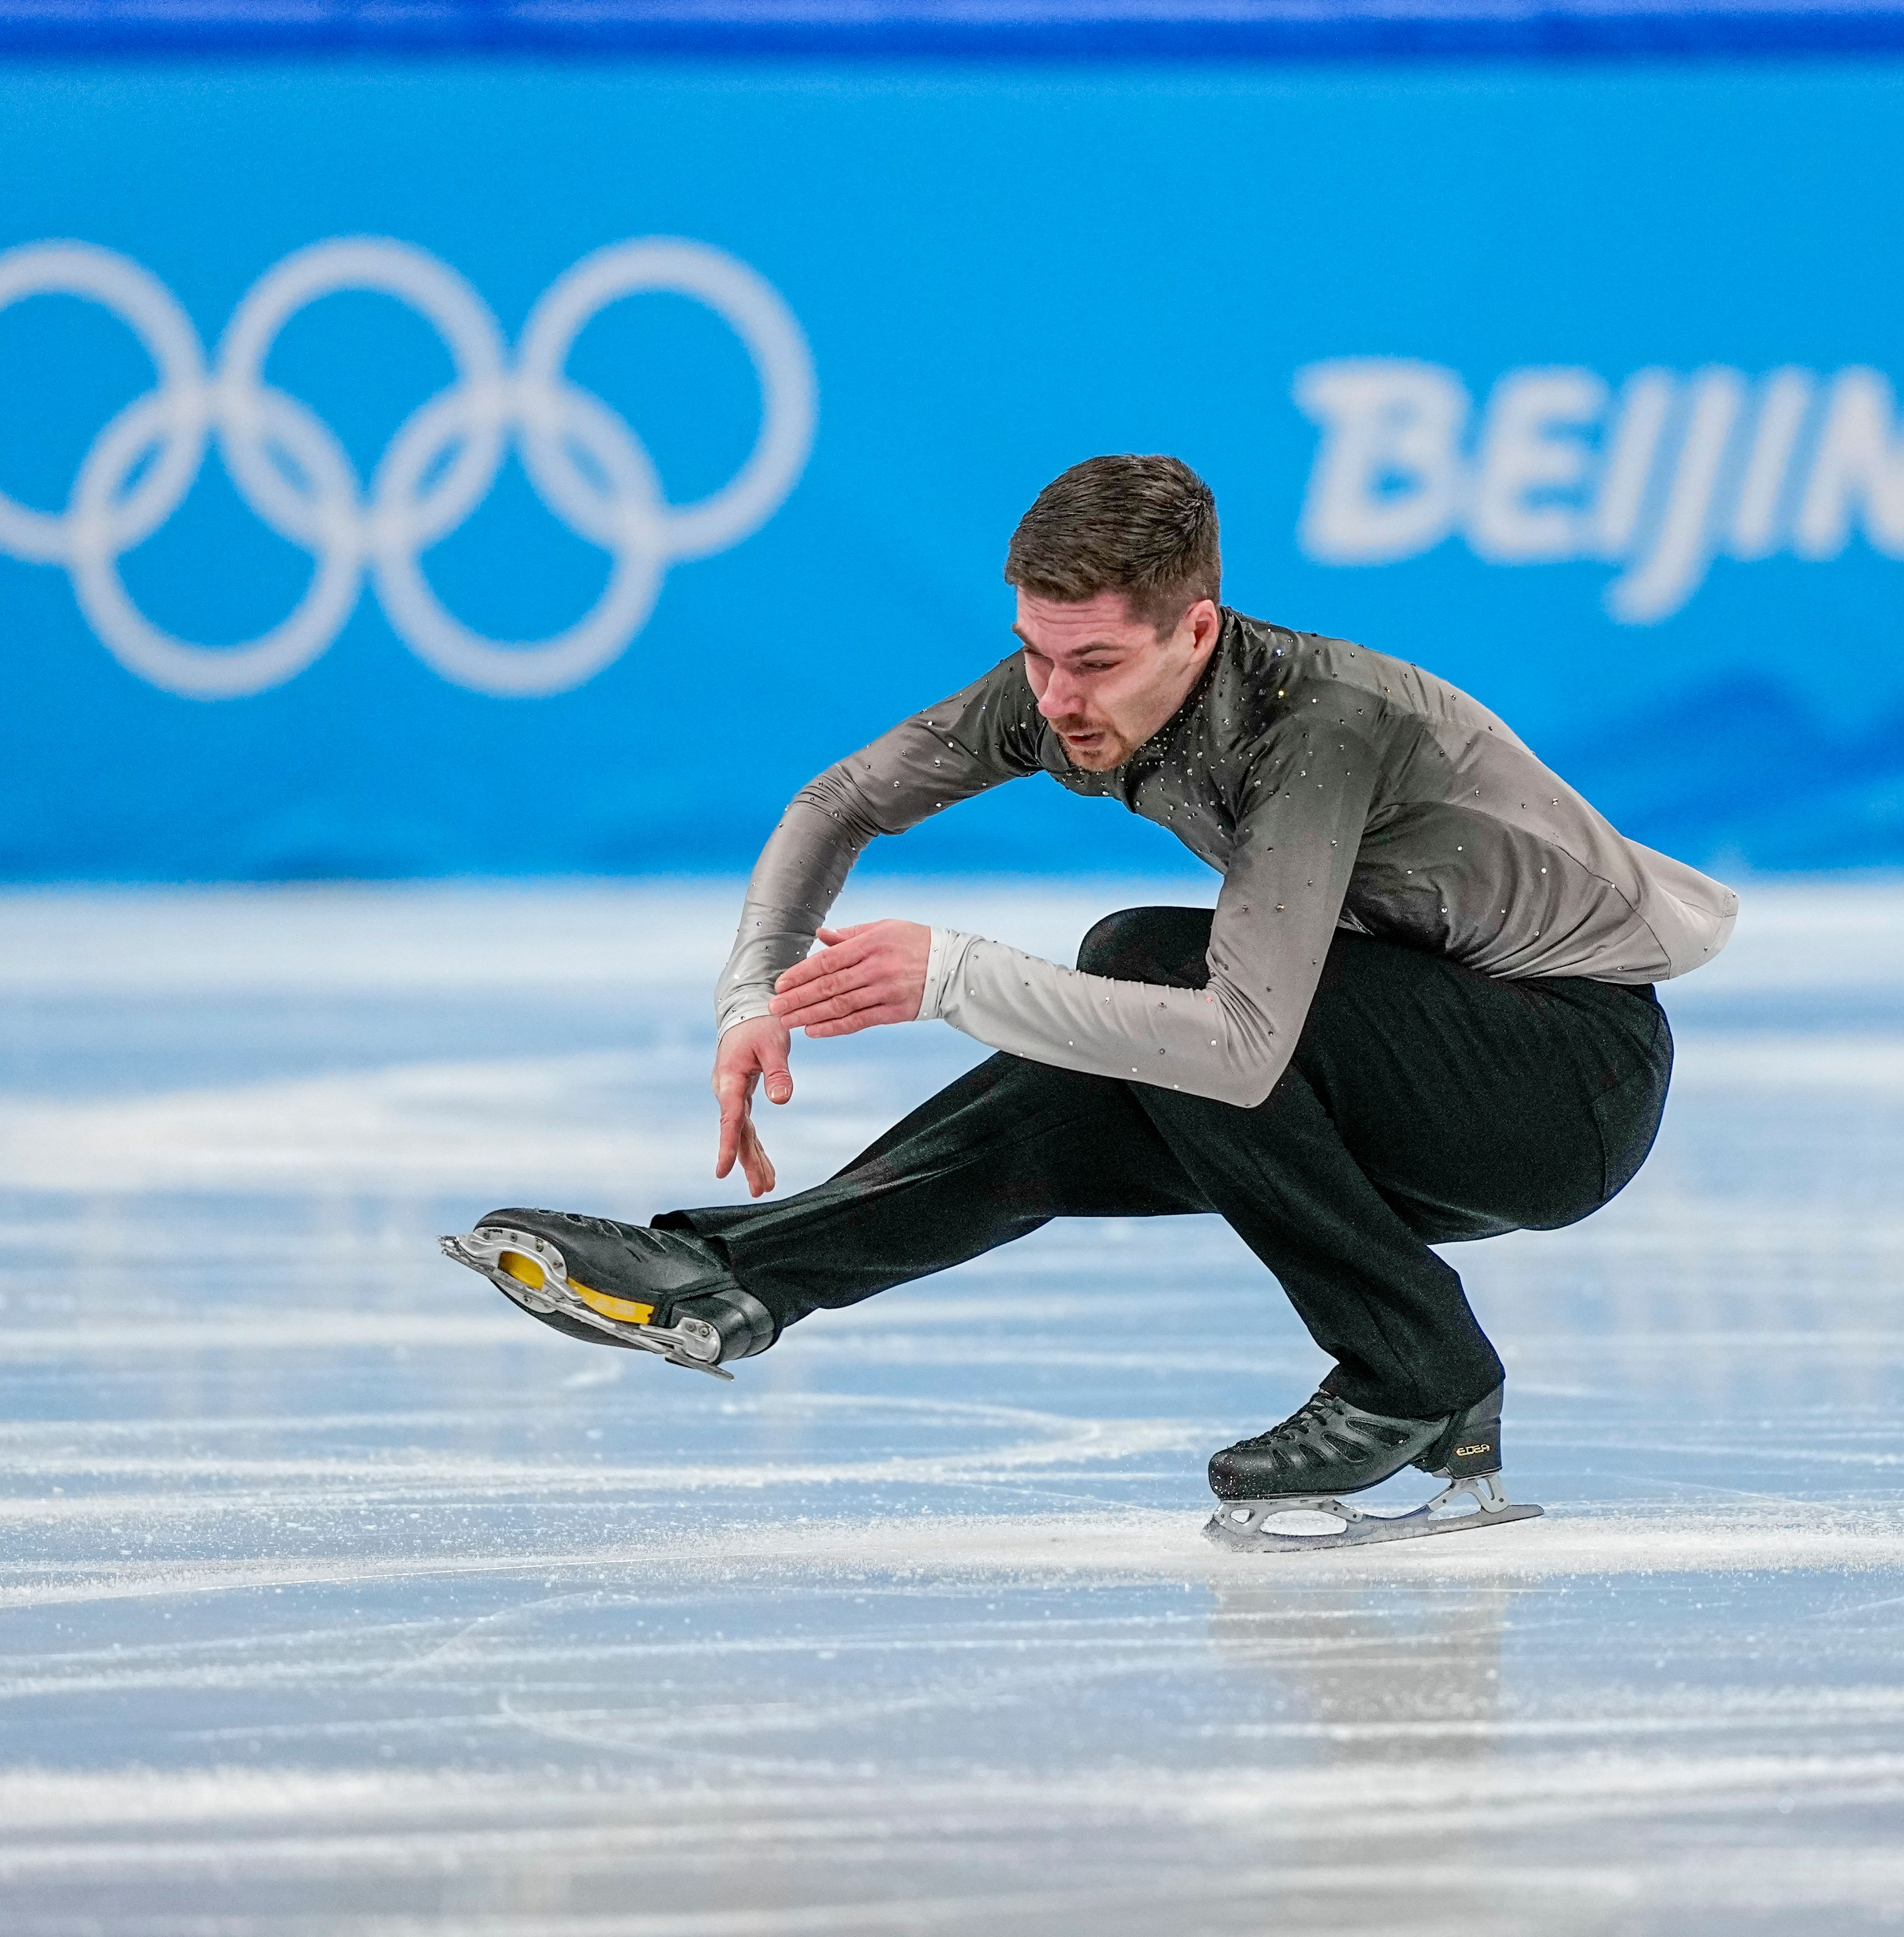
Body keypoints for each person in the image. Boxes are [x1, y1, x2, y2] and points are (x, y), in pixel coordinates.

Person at [444, 455, 1738, 1546]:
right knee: (1080, 1092)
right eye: (1037, 655)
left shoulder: (1321, 726)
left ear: (1198, 631)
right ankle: (733, 1278)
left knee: (1146, 966)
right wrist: (752, 991)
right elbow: (839, 804)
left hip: (1563, 1085)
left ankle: (1418, 1370)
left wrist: (954, 977)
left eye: (1097, 663)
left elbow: (1241, 1046)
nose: (1058, 700)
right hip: (1421, 1053)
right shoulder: (1068, 690)